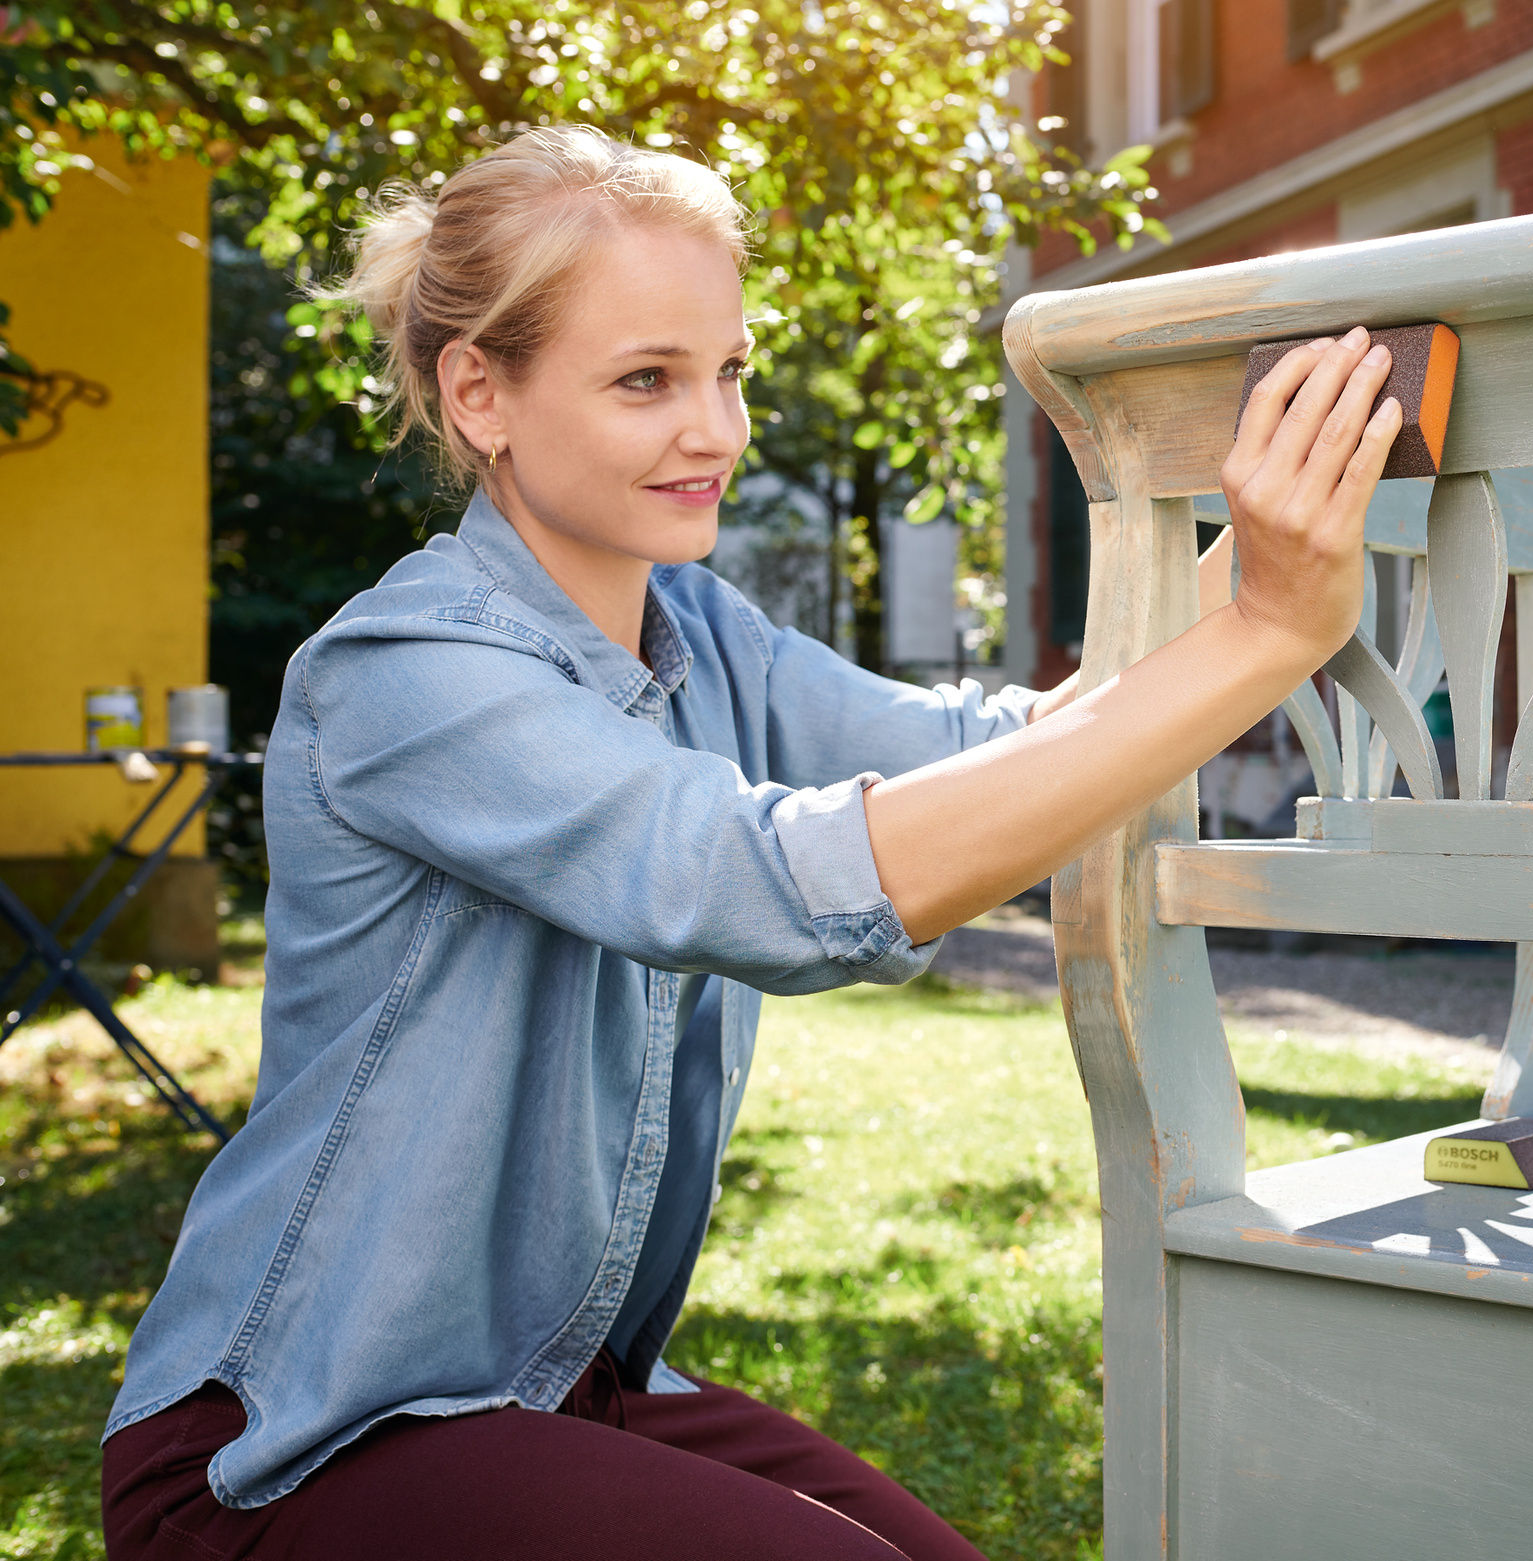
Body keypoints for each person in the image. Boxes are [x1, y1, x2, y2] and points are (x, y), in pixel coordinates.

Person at [99, 125, 1400, 1560]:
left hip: (561, 1390)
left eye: (727, 371)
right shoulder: (405, 674)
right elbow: (767, 885)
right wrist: (1274, 629)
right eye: (646, 379)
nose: (714, 430)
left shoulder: (701, 632)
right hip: (294, 1441)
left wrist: (1282, 531)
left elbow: (1008, 759)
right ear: (480, 393)